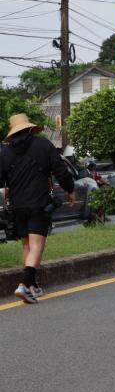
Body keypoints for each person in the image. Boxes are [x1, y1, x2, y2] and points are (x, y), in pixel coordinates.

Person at [0, 114, 76, 303]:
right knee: (36, 246)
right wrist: (70, 189)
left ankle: (33, 286)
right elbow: (60, 171)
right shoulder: (44, 145)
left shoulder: (5, 152)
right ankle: (24, 285)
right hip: (38, 203)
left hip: (17, 206)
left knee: (26, 245)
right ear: (30, 128)